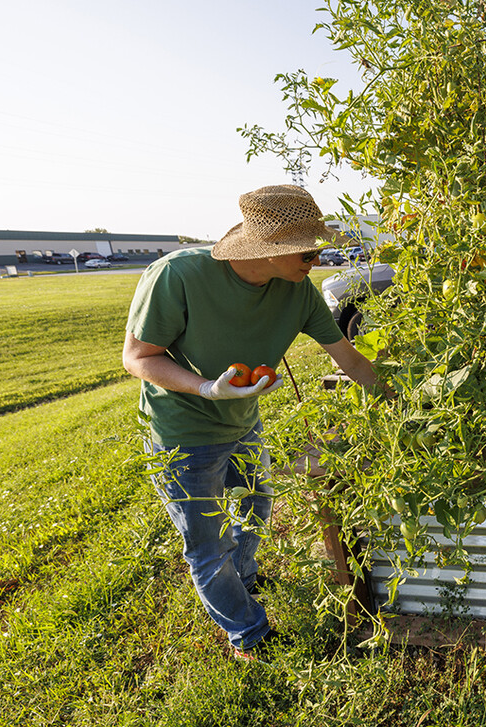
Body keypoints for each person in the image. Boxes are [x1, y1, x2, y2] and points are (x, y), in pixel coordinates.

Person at [123, 185, 383, 660]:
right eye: (308, 249)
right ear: (270, 250)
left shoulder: (298, 291)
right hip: (182, 432)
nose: (318, 256)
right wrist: (207, 388)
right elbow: (138, 358)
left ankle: (242, 579)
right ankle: (250, 635)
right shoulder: (177, 275)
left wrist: (409, 400)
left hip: (243, 423)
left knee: (258, 509)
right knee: (207, 545)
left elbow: (353, 361)